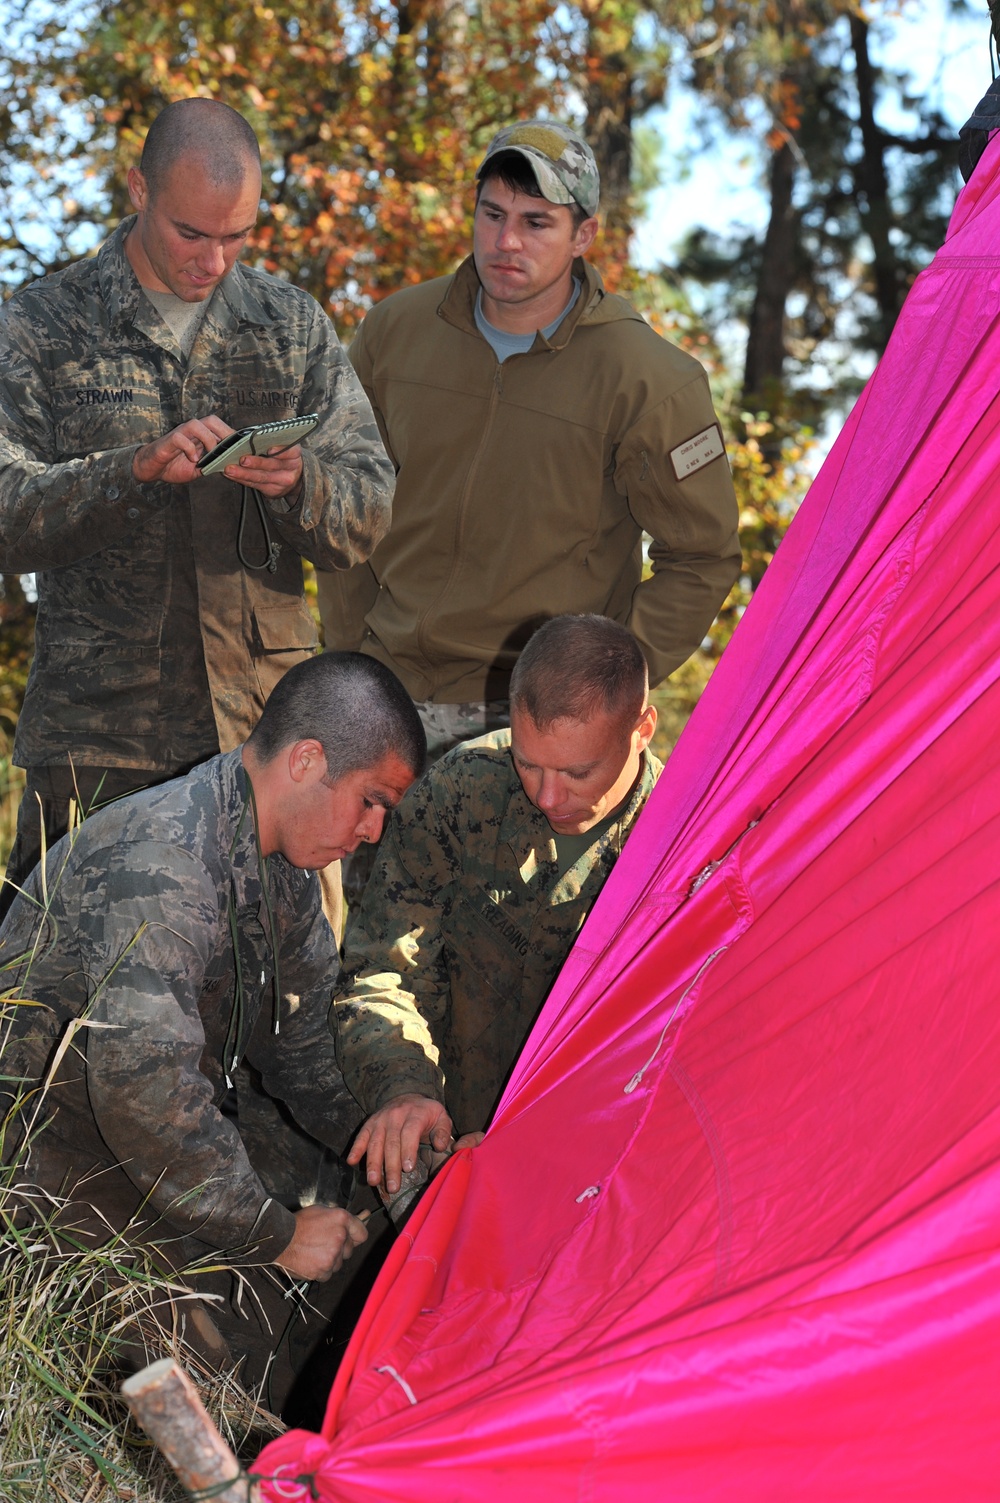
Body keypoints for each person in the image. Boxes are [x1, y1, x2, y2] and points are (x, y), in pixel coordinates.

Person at [0, 97, 395, 921]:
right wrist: (129, 471)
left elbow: (366, 512)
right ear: (138, 188)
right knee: (73, 1014)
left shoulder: (288, 326)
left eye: (237, 236)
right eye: (191, 233)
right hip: (98, 752)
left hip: (270, 751)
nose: (214, 259)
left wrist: (302, 482)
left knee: (278, 1021)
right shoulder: (41, 325)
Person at [0, 652, 425, 1405]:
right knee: (211, 1401)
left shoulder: (281, 873)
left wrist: (403, 1141)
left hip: (126, 1152)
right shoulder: (167, 858)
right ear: (307, 760)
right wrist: (276, 1233)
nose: (372, 830)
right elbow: (145, 1095)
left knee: (303, 1321)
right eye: (370, 800)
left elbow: (305, 1050)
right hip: (42, 1170)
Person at [319, 118, 741, 766]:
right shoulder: (394, 333)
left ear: (584, 236)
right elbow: (348, 506)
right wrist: (350, 662)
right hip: (382, 702)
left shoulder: (648, 378)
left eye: (537, 222)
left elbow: (703, 558)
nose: (506, 241)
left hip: (533, 730)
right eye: (492, 214)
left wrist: (596, 694)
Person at [333, 615, 663, 1196]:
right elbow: (383, 967)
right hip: (435, 1138)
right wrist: (404, 1088)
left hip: (595, 1168)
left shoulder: (682, 842)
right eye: (529, 762)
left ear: (641, 729)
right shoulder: (462, 790)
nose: (547, 795)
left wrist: (551, 1142)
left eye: (577, 771)